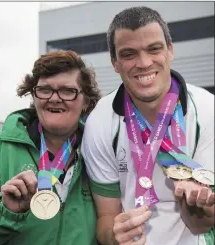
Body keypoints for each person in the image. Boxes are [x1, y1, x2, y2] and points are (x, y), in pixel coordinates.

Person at [81, 6, 215, 245]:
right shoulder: (100, 121)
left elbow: (199, 225)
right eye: (129, 54)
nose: (144, 63)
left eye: (154, 49)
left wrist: (198, 207)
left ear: (170, 50)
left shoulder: (207, 109)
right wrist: (114, 236)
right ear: (114, 62)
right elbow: (106, 216)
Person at [0, 50, 101, 245]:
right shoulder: (0, 147)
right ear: (33, 96)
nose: (55, 98)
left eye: (68, 90)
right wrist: (6, 211)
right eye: (45, 89)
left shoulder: (101, 150)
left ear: (86, 101)